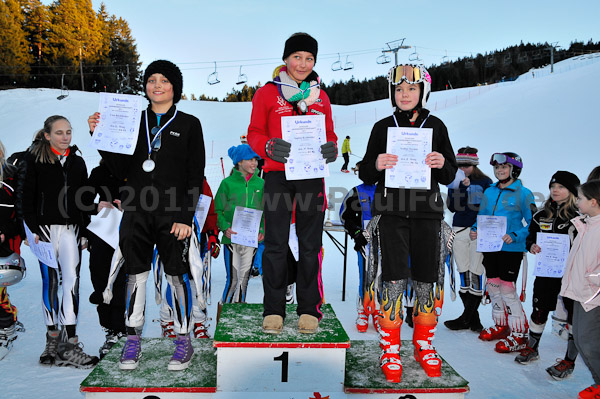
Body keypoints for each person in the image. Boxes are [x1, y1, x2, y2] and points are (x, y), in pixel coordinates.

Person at [87, 60, 205, 371]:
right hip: (136, 210)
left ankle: (183, 339)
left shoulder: (190, 124)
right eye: (151, 80)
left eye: (164, 80)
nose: (157, 85)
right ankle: (132, 339)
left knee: (176, 275)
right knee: (134, 275)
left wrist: (185, 216)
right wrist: (99, 135)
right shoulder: (132, 120)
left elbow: (195, 175)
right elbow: (118, 168)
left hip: (172, 213)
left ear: (174, 87)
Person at [359, 64, 457, 382]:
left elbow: (450, 173)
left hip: (427, 212)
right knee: (394, 277)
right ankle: (390, 346)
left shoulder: (437, 126)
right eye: (399, 90)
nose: (405, 95)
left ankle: (423, 343)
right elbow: (365, 173)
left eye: (411, 89)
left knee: (427, 279)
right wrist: (375, 163)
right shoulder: (382, 127)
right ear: (392, 93)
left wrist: (443, 163)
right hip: (391, 212)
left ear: (422, 93)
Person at [247, 32, 337, 334]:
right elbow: (255, 133)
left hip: (311, 177)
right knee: (275, 244)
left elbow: (331, 135)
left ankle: (309, 308)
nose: (302, 63)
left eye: (309, 58)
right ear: (286, 59)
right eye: (297, 57)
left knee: (311, 245)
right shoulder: (267, 93)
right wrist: (268, 147)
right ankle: (274, 309)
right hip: (278, 176)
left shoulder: (320, 96)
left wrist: (332, 148)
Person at [20, 116, 98, 368]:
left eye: (69, 132)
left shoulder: (77, 162)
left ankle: (69, 344)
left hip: (71, 230)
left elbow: (83, 198)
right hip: (44, 230)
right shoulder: (33, 160)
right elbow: (25, 198)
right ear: (47, 135)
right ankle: (52, 338)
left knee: (72, 283)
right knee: (51, 282)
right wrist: (30, 229)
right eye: (59, 133)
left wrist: (87, 226)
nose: (65, 137)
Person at [512, 171, 580, 377]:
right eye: (553, 187)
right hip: (546, 273)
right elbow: (530, 237)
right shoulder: (541, 215)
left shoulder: (579, 217)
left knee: (573, 316)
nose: (555, 191)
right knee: (539, 308)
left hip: (571, 275)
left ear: (572, 192)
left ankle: (569, 361)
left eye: (561, 187)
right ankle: (533, 348)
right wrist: (531, 245)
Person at [469, 152, 535, 354]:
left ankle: (519, 333)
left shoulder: (523, 193)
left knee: (507, 289)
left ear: (514, 170)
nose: (499, 171)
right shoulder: (489, 191)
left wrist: (515, 234)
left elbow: (532, 222)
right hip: (490, 246)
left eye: (504, 168)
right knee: (493, 286)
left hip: (511, 248)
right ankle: (501, 325)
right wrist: (475, 228)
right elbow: (483, 215)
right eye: (497, 168)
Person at [159, 176, 220, 339]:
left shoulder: (201, 181)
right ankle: (168, 320)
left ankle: (199, 322)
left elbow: (210, 210)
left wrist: (213, 233)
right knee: (176, 279)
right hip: (173, 235)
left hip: (197, 237)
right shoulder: (167, 177)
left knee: (196, 280)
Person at [444, 146, 492, 332]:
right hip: (459, 229)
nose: (463, 169)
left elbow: (486, 208)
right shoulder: (454, 182)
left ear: (474, 165)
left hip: (479, 231)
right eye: (459, 165)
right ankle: (473, 318)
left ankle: (466, 318)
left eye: (467, 165)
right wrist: (460, 189)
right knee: (463, 270)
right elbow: (453, 207)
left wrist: (479, 227)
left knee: (476, 271)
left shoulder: (485, 182)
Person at [560, 180, 600, 399]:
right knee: (583, 341)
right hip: (581, 292)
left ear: (593, 202)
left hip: (592, 296)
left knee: (589, 343)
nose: (577, 202)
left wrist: (591, 282)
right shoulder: (586, 224)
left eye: (581, 198)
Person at [84, 160, 127, 359]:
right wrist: (97, 206)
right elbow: (82, 199)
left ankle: (122, 330)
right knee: (101, 278)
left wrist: (130, 205)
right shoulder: (100, 171)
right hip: (105, 229)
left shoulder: (136, 167)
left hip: (130, 229)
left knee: (124, 279)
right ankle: (110, 330)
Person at [214, 144, 264, 305]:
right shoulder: (227, 183)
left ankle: (239, 315)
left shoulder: (261, 184)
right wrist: (225, 227)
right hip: (232, 240)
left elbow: (266, 211)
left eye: (256, 159)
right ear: (239, 162)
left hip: (252, 240)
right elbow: (217, 210)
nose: (254, 163)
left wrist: (263, 229)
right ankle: (224, 318)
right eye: (250, 159)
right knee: (233, 280)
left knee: (244, 280)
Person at [339, 166, 377, 332]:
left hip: (384, 243)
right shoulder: (355, 192)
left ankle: (378, 310)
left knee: (381, 278)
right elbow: (344, 216)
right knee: (365, 276)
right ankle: (362, 311)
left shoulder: (387, 191)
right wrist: (356, 233)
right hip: (364, 243)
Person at [0, 140, 25, 361]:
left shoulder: (8, 180)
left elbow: (19, 213)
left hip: (4, 243)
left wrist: (4, 232)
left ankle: (6, 326)